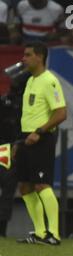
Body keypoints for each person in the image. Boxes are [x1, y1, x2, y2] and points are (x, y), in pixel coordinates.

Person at [15, 41, 67, 245]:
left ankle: (54, 234)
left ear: (40, 57)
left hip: (41, 139)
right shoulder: (30, 81)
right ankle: (39, 232)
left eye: (28, 55)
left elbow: (61, 113)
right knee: (25, 187)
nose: (23, 58)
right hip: (26, 138)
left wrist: (39, 132)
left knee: (41, 184)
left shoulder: (49, 81)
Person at [0, 70, 28, 237]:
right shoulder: (24, 104)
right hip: (12, 148)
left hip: (6, 147)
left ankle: (2, 229)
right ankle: (2, 230)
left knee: (8, 191)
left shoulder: (4, 101)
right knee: (8, 191)